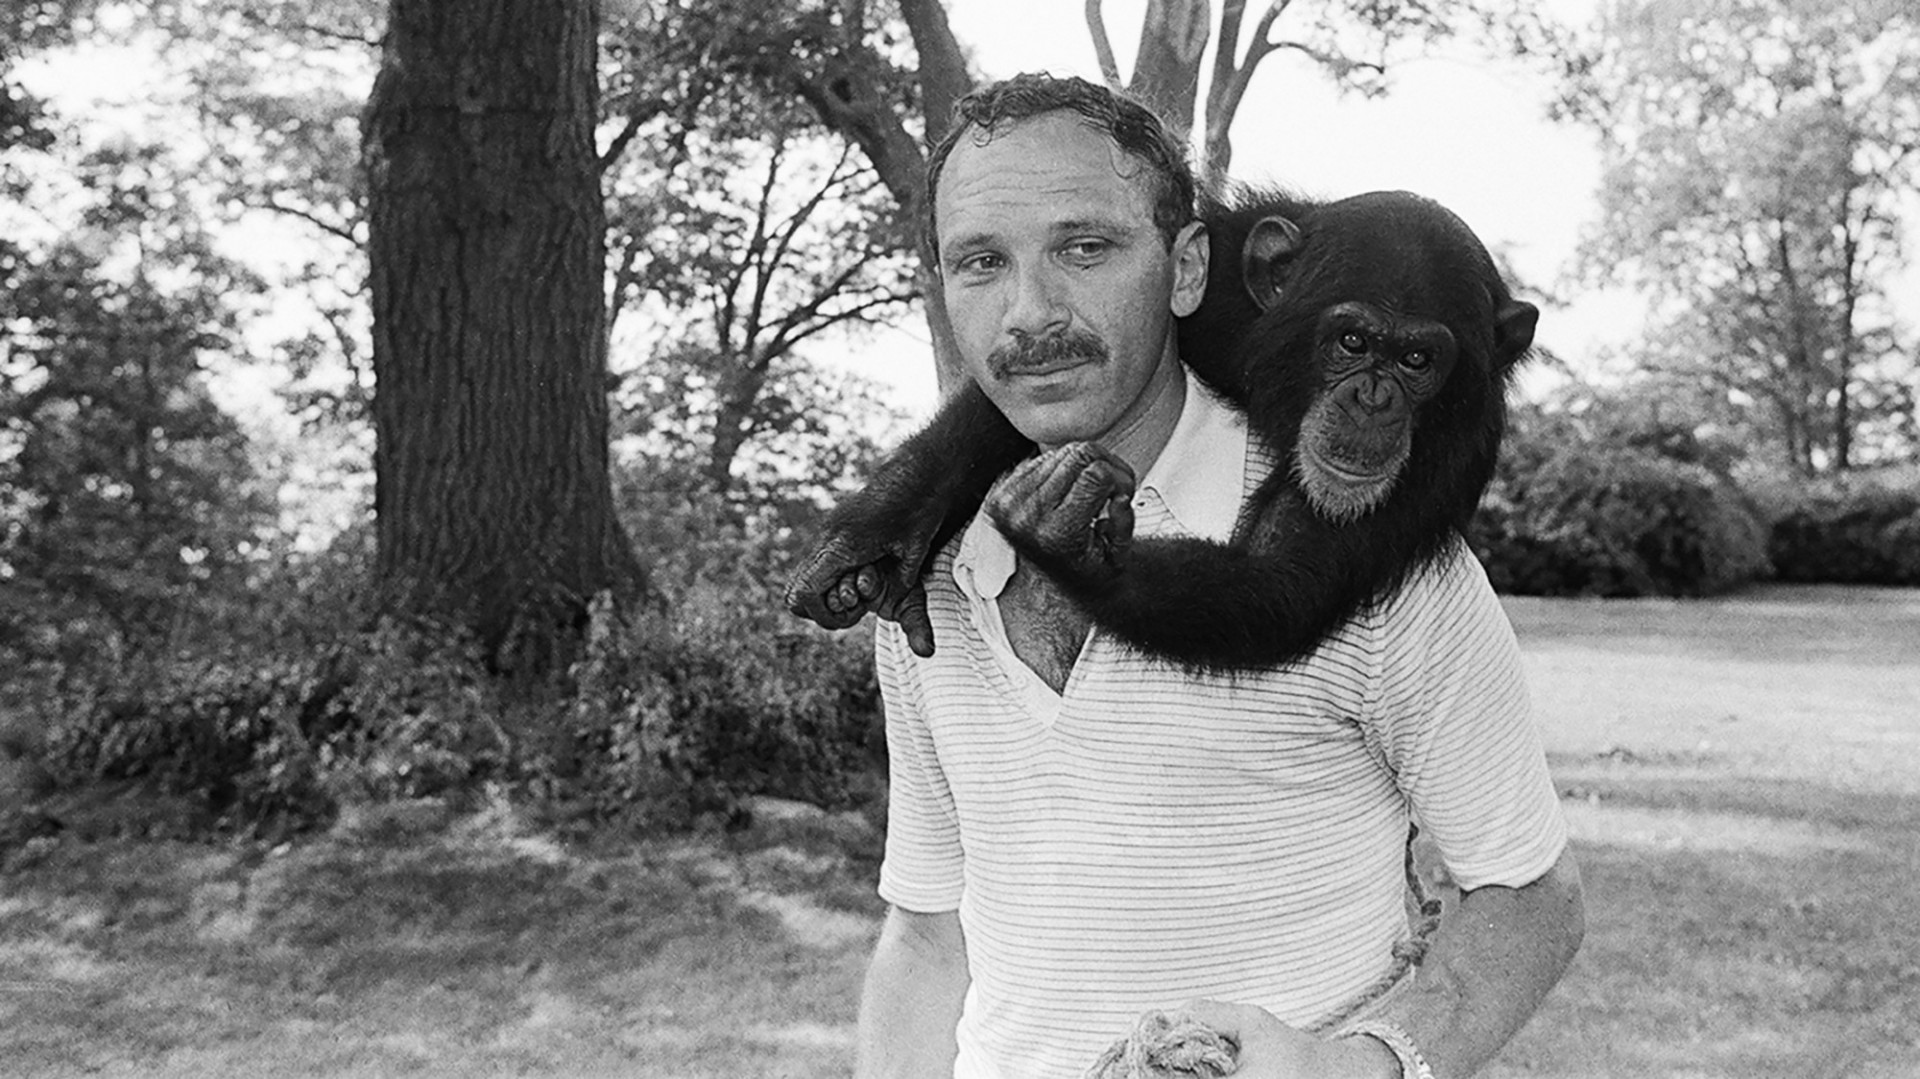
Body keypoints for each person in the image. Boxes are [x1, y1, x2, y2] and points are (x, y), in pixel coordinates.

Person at [856, 72, 1583, 1079]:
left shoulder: (1400, 574)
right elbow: (929, 933)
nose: (1032, 309)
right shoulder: (924, 571)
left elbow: (1532, 898)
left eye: (1086, 246)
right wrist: (888, 515)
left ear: (1190, 266)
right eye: (982, 261)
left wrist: (1355, 1065)